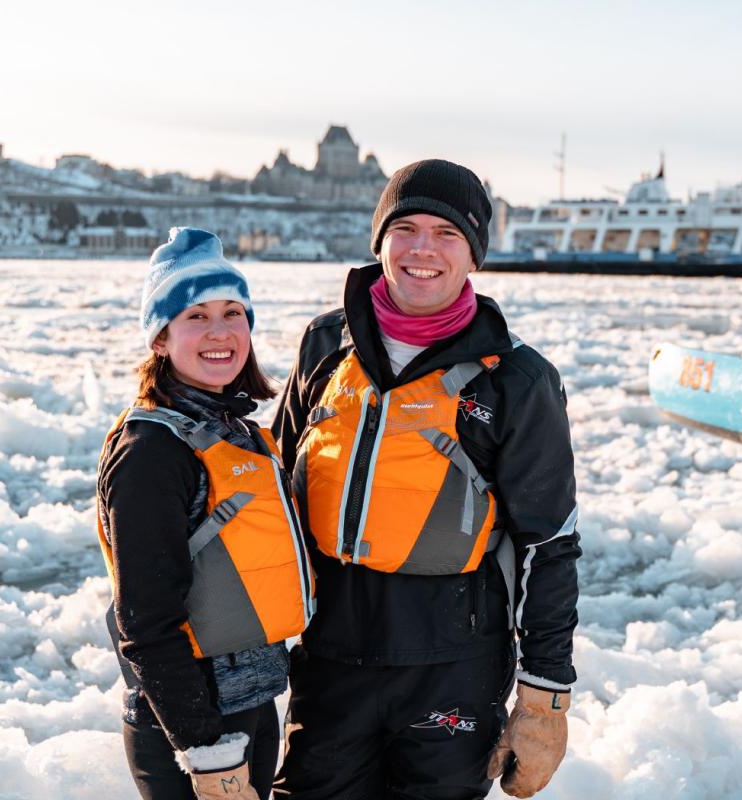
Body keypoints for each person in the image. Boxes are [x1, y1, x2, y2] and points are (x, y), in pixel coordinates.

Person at [271, 160, 581, 799]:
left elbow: (549, 544)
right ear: (379, 240)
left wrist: (545, 696)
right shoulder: (325, 344)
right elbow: (277, 490)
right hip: (330, 657)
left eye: (447, 233)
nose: (422, 249)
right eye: (405, 228)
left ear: (474, 256)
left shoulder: (517, 379)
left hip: (452, 665)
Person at [95, 227, 314, 800]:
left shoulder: (234, 432)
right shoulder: (151, 454)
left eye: (232, 312)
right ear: (161, 338)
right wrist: (206, 751)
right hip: (193, 730)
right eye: (196, 316)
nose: (220, 332)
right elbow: (145, 621)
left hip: (250, 706)